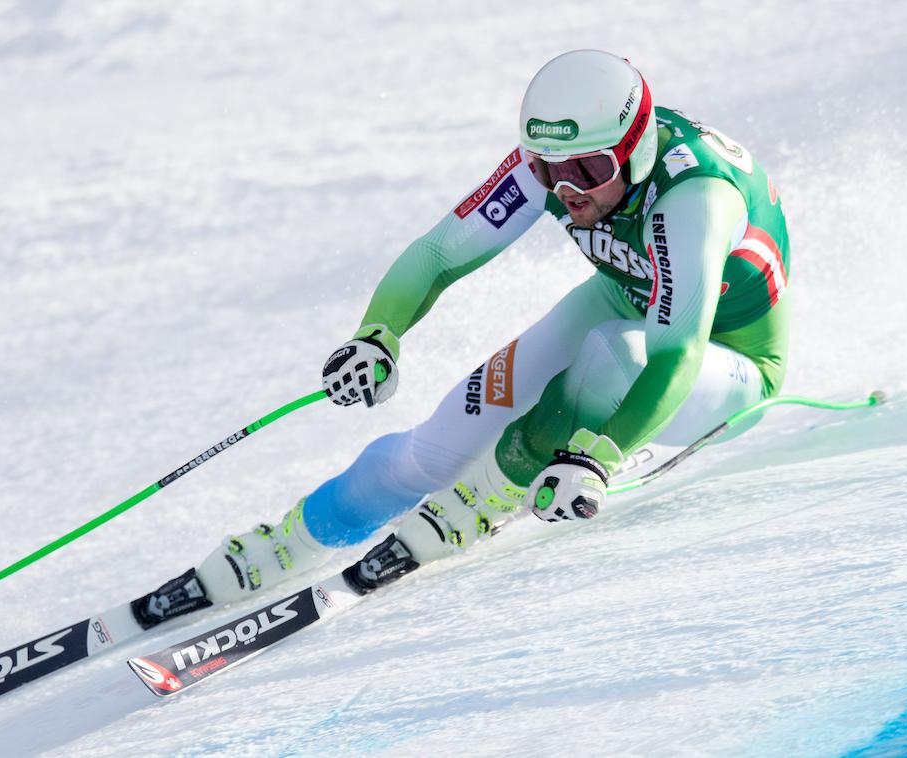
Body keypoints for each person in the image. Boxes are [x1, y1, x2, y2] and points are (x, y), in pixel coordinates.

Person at [132, 49, 790, 625]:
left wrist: (600, 456)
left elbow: (676, 352)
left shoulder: (693, 197)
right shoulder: (558, 166)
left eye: (587, 172)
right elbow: (440, 252)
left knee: (611, 358)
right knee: (435, 446)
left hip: (726, 367)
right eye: (547, 170)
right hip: (624, 299)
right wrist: (379, 334)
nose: (567, 191)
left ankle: (482, 500)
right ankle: (288, 542)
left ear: (636, 150)